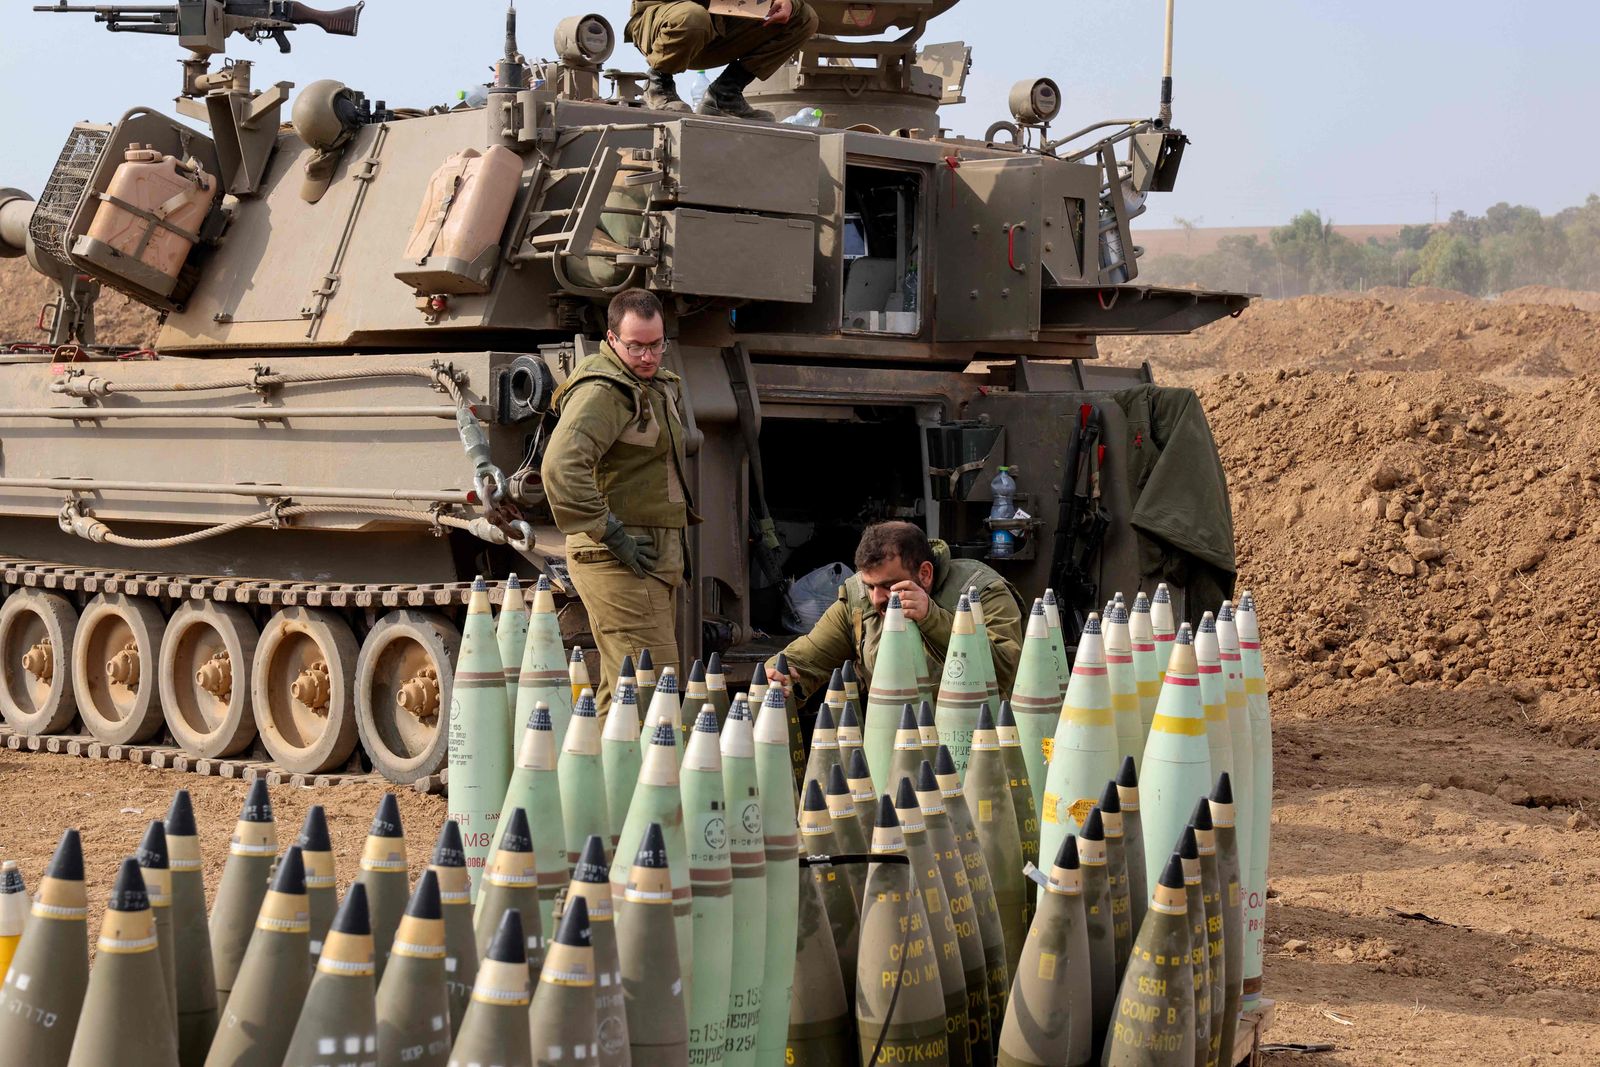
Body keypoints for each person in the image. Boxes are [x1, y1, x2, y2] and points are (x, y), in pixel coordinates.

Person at [542, 288, 698, 711]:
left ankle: (595, 776)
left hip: (647, 561)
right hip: (621, 560)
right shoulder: (606, 390)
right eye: (636, 346)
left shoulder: (649, 384)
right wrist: (610, 532)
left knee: (625, 695)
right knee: (653, 697)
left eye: (656, 345)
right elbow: (561, 467)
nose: (648, 356)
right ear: (611, 340)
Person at [768, 521, 1025, 705]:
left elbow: (1004, 671)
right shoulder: (859, 601)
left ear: (924, 573)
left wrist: (931, 618)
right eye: (870, 586)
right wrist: (778, 674)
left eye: (889, 586)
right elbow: (809, 657)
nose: (877, 598)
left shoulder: (981, 592)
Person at [629, 0, 820, 120]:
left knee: (803, 16)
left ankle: (725, 94)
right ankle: (658, 83)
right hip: (666, 22)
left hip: (721, 20)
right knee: (693, 16)